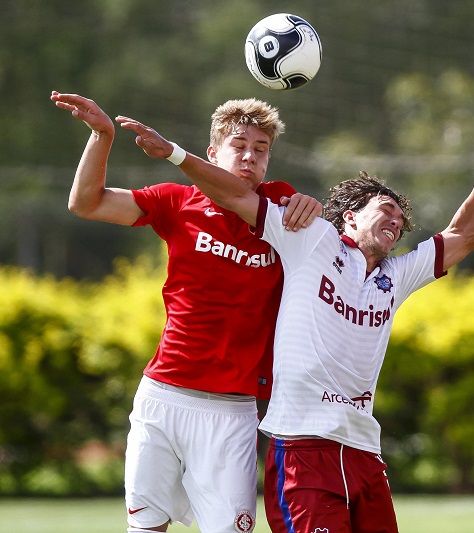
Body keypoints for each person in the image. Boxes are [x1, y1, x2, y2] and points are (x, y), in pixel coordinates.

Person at [114, 109, 474, 533]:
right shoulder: (311, 240)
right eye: (385, 209)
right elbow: (235, 196)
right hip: (301, 445)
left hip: (363, 450)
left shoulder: (395, 276)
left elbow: (465, 236)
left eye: (401, 219)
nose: (396, 220)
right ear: (349, 217)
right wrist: (176, 155)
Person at [51, 91, 322, 533]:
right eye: (239, 146)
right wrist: (102, 136)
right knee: (146, 528)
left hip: (232, 412)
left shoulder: (279, 206)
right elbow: (87, 203)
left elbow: (246, 199)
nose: (250, 157)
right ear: (213, 151)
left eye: (261, 149)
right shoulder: (177, 202)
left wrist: (307, 204)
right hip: (163, 397)